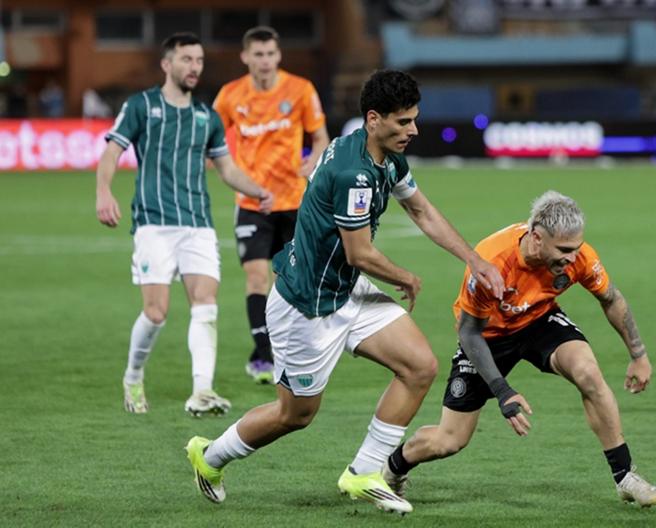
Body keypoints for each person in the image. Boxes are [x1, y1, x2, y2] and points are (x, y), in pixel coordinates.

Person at [185, 69, 505, 514]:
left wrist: (474, 259)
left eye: (414, 119)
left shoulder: (383, 156)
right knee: (295, 415)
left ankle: (364, 472)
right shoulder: (354, 174)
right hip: (307, 306)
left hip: (347, 290)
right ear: (374, 119)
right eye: (403, 121)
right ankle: (210, 456)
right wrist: (405, 277)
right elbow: (359, 253)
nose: (413, 130)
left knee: (419, 366)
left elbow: (421, 210)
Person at [380, 191, 656, 509]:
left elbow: (611, 299)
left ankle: (625, 476)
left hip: (538, 320)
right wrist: (502, 391)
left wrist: (638, 355)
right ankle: (393, 467)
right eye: (564, 250)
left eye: (576, 248)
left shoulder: (580, 256)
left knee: (587, 372)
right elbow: (469, 332)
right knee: (450, 440)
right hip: (485, 337)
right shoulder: (492, 261)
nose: (573, 258)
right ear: (537, 238)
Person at [95, 32, 273, 417]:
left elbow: (226, 168)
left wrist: (257, 190)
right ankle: (133, 375)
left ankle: (202, 391)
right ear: (167, 64)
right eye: (187, 59)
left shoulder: (207, 117)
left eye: (199, 61)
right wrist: (104, 192)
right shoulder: (141, 106)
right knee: (156, 312)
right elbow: (111, 152)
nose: (194, 67)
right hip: (154, 223)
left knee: (205, 304)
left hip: (198, 224)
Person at [213, 26, 330, 384]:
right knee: (256, 276)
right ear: (245, 57)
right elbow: (211, 137)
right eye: (258, 54)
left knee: (288, 281)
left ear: (278, 56)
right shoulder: (230, 95)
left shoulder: (300, 90)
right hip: (252, 202)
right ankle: (265, 356)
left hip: (294, 202)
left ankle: (279, 348)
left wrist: (313, 161)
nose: (265, 61)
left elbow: (320, 137)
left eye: (270, 54)